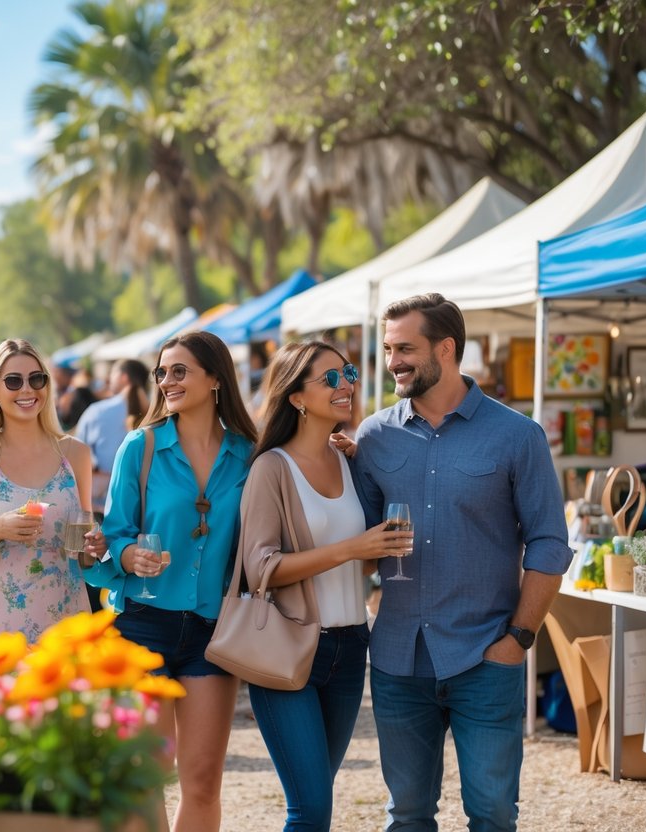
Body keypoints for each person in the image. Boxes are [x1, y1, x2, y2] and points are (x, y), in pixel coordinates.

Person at [351, 293, 571, 831]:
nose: (393, 361)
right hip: (398, 658)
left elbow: (548, 543)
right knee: (406, 816)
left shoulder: (518, 436)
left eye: (406, 347)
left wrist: (517, 639)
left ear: (446, 349)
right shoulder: (373, 438)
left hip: (485, 656)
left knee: (493, 815)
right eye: (387, 348)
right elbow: (356, 542)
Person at [85, 331, 257, 832]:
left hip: (214, 632)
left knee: (203, 782)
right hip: (142, 626)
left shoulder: (249, 455)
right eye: (162, 372)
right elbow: (113, 535)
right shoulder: (139, 448)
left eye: (179, 371)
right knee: (146, 776)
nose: (165, 381)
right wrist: (128, 553)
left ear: (216, 378)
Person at [238, 342, 412, 831]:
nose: (347, 385)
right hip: (290, 647)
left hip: (351, 648)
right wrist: (353, 549)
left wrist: (372, 553)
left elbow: (363, 554)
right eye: (331, 378)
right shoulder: (271, 468)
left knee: (318, 799)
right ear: (296, 397)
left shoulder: (350, 461)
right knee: (310, 810)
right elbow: (261, 568)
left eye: (349, 373)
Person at [0, 339, 103, 654]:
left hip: (64, 626)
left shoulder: (75, 453)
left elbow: (82, 549)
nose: (27, 389)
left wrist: (95, 546)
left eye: (36, 379)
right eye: (14, 381)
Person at [76, 358, 149, 517]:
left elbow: (77, 455)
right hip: (145, 504)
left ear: (123, 377)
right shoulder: (154, 414)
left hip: (103, 506)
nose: (109, 379)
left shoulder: (97, 411)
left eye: (113, 374)